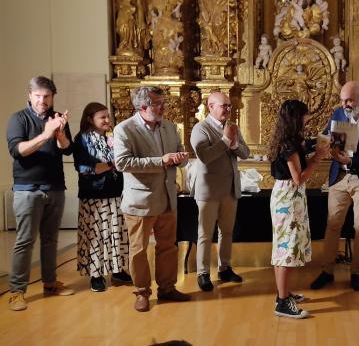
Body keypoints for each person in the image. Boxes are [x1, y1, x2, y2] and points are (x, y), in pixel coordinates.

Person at [113, 86, 191, 312]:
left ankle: (167, 288)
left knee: (168, 247)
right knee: (139, 250)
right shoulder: (124, 129)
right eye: (159, 104)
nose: (164, 107)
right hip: (140, 200)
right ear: (143, 106)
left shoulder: (169, 126)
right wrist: (161, 160)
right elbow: (122, 163)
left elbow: (178, 153)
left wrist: (180, 158)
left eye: (163, 102)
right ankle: (141, 292)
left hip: (168, 197)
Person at [310, 81, 359, 292]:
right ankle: (327, 271)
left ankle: (356, 272)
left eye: (350, 100)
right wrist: (323, 144)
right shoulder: (337, 113)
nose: (345, 104)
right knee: (332, 224)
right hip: (339, 177)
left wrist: (351, 161)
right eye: (343, 100)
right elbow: (326, 135)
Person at [6, 76, 75, 311]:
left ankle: (50, 283)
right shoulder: (18, 119)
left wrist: (60, 134)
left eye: (47, 96)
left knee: (50, 240)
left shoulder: (57, 119)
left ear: (52, 97)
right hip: (28, 190)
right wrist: (46, 134)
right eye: (38, 96)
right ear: (29, 95)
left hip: (55, 188)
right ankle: (16, 291)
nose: (43, 101)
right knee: (25, 241)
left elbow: (67, 151)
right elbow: (18, 151)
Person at [269, 99, 329, 319]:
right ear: (296, 118)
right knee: (287, 250)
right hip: (289, 197)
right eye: (304, 115)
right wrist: (318, 159)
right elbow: (298, 178)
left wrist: (314, 147)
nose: (307, 118)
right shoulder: (289, 144)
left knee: (283, 247)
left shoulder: (287, 140)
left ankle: (282, 294)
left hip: (285, 196)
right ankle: (283, 303)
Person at [189, 92, 250, 292]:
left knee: (227, 232)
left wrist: (235, 144)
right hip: (208, 190)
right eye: (223, 105)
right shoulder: (200, 128)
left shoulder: (232, 126)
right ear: (210, 106)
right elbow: (205, 156)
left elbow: (245, 153)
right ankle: (203, 273)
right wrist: (225, 141)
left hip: (230, 188)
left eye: (229, 106)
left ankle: (225, 268)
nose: (228, 109)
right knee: (205, 234)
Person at [73, 102, 132, 292]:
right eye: (103, 117)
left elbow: (123, 162)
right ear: (90, 119)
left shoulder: (111, 137)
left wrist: (118, 148)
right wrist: (112, 163)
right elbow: (84, 168)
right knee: (96, 236)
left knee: (116, 235)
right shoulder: (82, 139)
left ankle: (117, 270)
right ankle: (96, 274)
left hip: (115, 192)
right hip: (94, 195)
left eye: (108, 116)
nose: (108, 120)